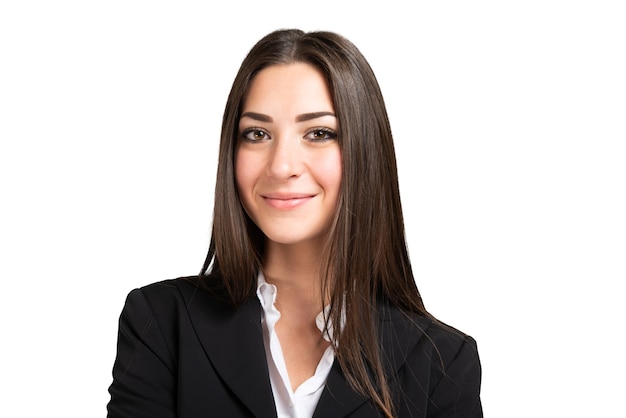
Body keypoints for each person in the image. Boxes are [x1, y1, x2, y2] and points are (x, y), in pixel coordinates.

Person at [107, 28, 482, 418]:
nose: (282, 165)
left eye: (319, 133)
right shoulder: (161, 323)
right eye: (257, 134)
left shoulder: (442, 362)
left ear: (365, 151)